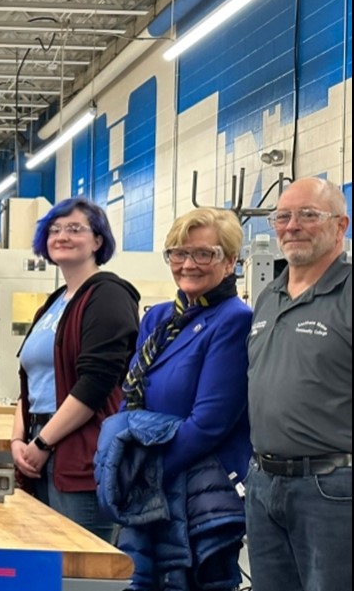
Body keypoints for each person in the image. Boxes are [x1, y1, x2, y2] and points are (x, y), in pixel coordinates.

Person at [102, 207, 252, 588]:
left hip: (201, 493)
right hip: (156, 489)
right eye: (178, 253)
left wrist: (142, 473)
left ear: (231, 260)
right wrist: (126, 456)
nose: (189, 264)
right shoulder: (159, 320)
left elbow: (209, 423)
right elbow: (131, 403)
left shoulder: (234, 319)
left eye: (205, 254)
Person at [10, 196, 139, 540]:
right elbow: (29, 381)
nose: (62, 236)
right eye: (54, 229)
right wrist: (17, 440)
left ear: (98, 240)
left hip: (81, 454)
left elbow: (94, 384)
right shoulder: (54, 303)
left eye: (74, 228)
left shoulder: (108, 295)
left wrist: (42, 443)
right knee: (45, 566)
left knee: (78, 568)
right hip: (39, 446)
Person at [246, 177, 351, 591]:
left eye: (309, 215)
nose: (292, 226)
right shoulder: (268, 297)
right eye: (283, 216)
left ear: (341, 225)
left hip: (332, 490)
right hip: (263, 483)